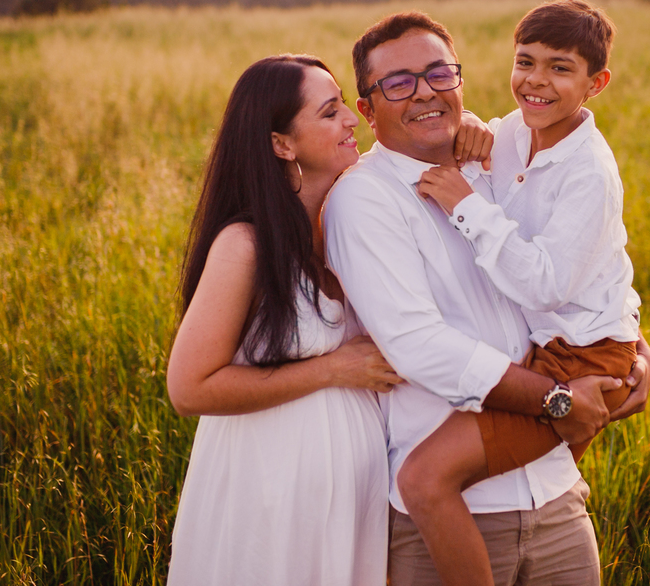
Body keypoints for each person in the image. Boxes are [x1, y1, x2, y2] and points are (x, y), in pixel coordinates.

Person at [324, 12, 650, 586]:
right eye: (399, 83)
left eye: (438, 73)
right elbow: (419, 345)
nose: (425, 90)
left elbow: (577, 264)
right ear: (368, 111)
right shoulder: (365, 200)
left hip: (555, 498)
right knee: (426, 479)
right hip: (461, 517)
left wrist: (634, 349)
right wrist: (556, 401)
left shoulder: (495, 160)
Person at [165, 54, 492, 585]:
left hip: (352, 506)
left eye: (344, 104)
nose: (350, 120)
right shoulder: (245, 245)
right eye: (329, 112)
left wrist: (466, 128)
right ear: (281, 144)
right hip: (271, 498)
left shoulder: (349, 215)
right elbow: (189, 388)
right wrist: (333, 370)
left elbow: (413, 151)